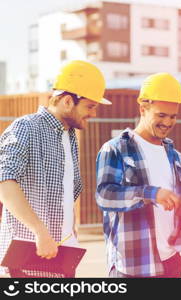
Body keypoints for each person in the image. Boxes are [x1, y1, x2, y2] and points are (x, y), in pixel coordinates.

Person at [0, 60, 111, 277]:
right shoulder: (26, 128)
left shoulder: (69, 137)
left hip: (60, 262)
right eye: (90, 106)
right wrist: (39, 230)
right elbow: (4, 181)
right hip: (26, 266)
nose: (93, 114)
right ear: (68, 101)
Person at [95, 73, 181, 278]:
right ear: (143, 109)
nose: (168, 122)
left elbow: (177, 209)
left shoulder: (175, 157)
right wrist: (151, 194)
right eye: (161, 115)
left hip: (171, 262)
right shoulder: (116, 149)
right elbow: (105, 195)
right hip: (132, 267)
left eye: (173, 116)